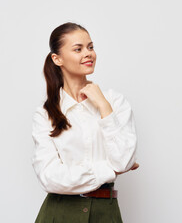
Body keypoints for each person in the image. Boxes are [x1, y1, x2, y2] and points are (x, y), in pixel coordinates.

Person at [31, 22, 139, 223]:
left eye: (90, 47)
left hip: (105, 214)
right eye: (78, 49)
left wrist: (103, 106)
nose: (88, 53)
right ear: (57, 59)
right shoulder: (45, 114)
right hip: (58, 214)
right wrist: (110, 170)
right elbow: (49, 177)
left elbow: (123, 159)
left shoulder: (115, 102)